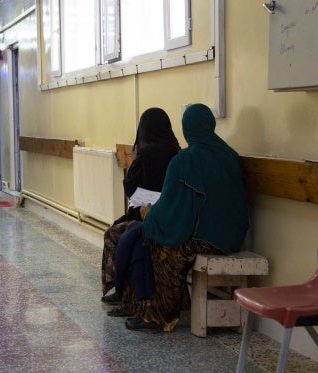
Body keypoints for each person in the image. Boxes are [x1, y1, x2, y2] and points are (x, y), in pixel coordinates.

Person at [108, 103, 250, 332]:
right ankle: (154, 305)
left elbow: (172, 207)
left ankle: (159, 315)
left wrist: (150, 218)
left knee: (159, 246)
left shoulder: (185, 160)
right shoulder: (229, 155)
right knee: (149, 235)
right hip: (233, 236)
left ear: (186, 128)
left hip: (206, 237)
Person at [100, 108, 180, 305]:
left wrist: (134, 159)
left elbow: (130, 185)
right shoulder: (177, 152)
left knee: (114, 233)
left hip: (145, 215)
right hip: (171, 216)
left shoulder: (145, 154)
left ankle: (122, 291)